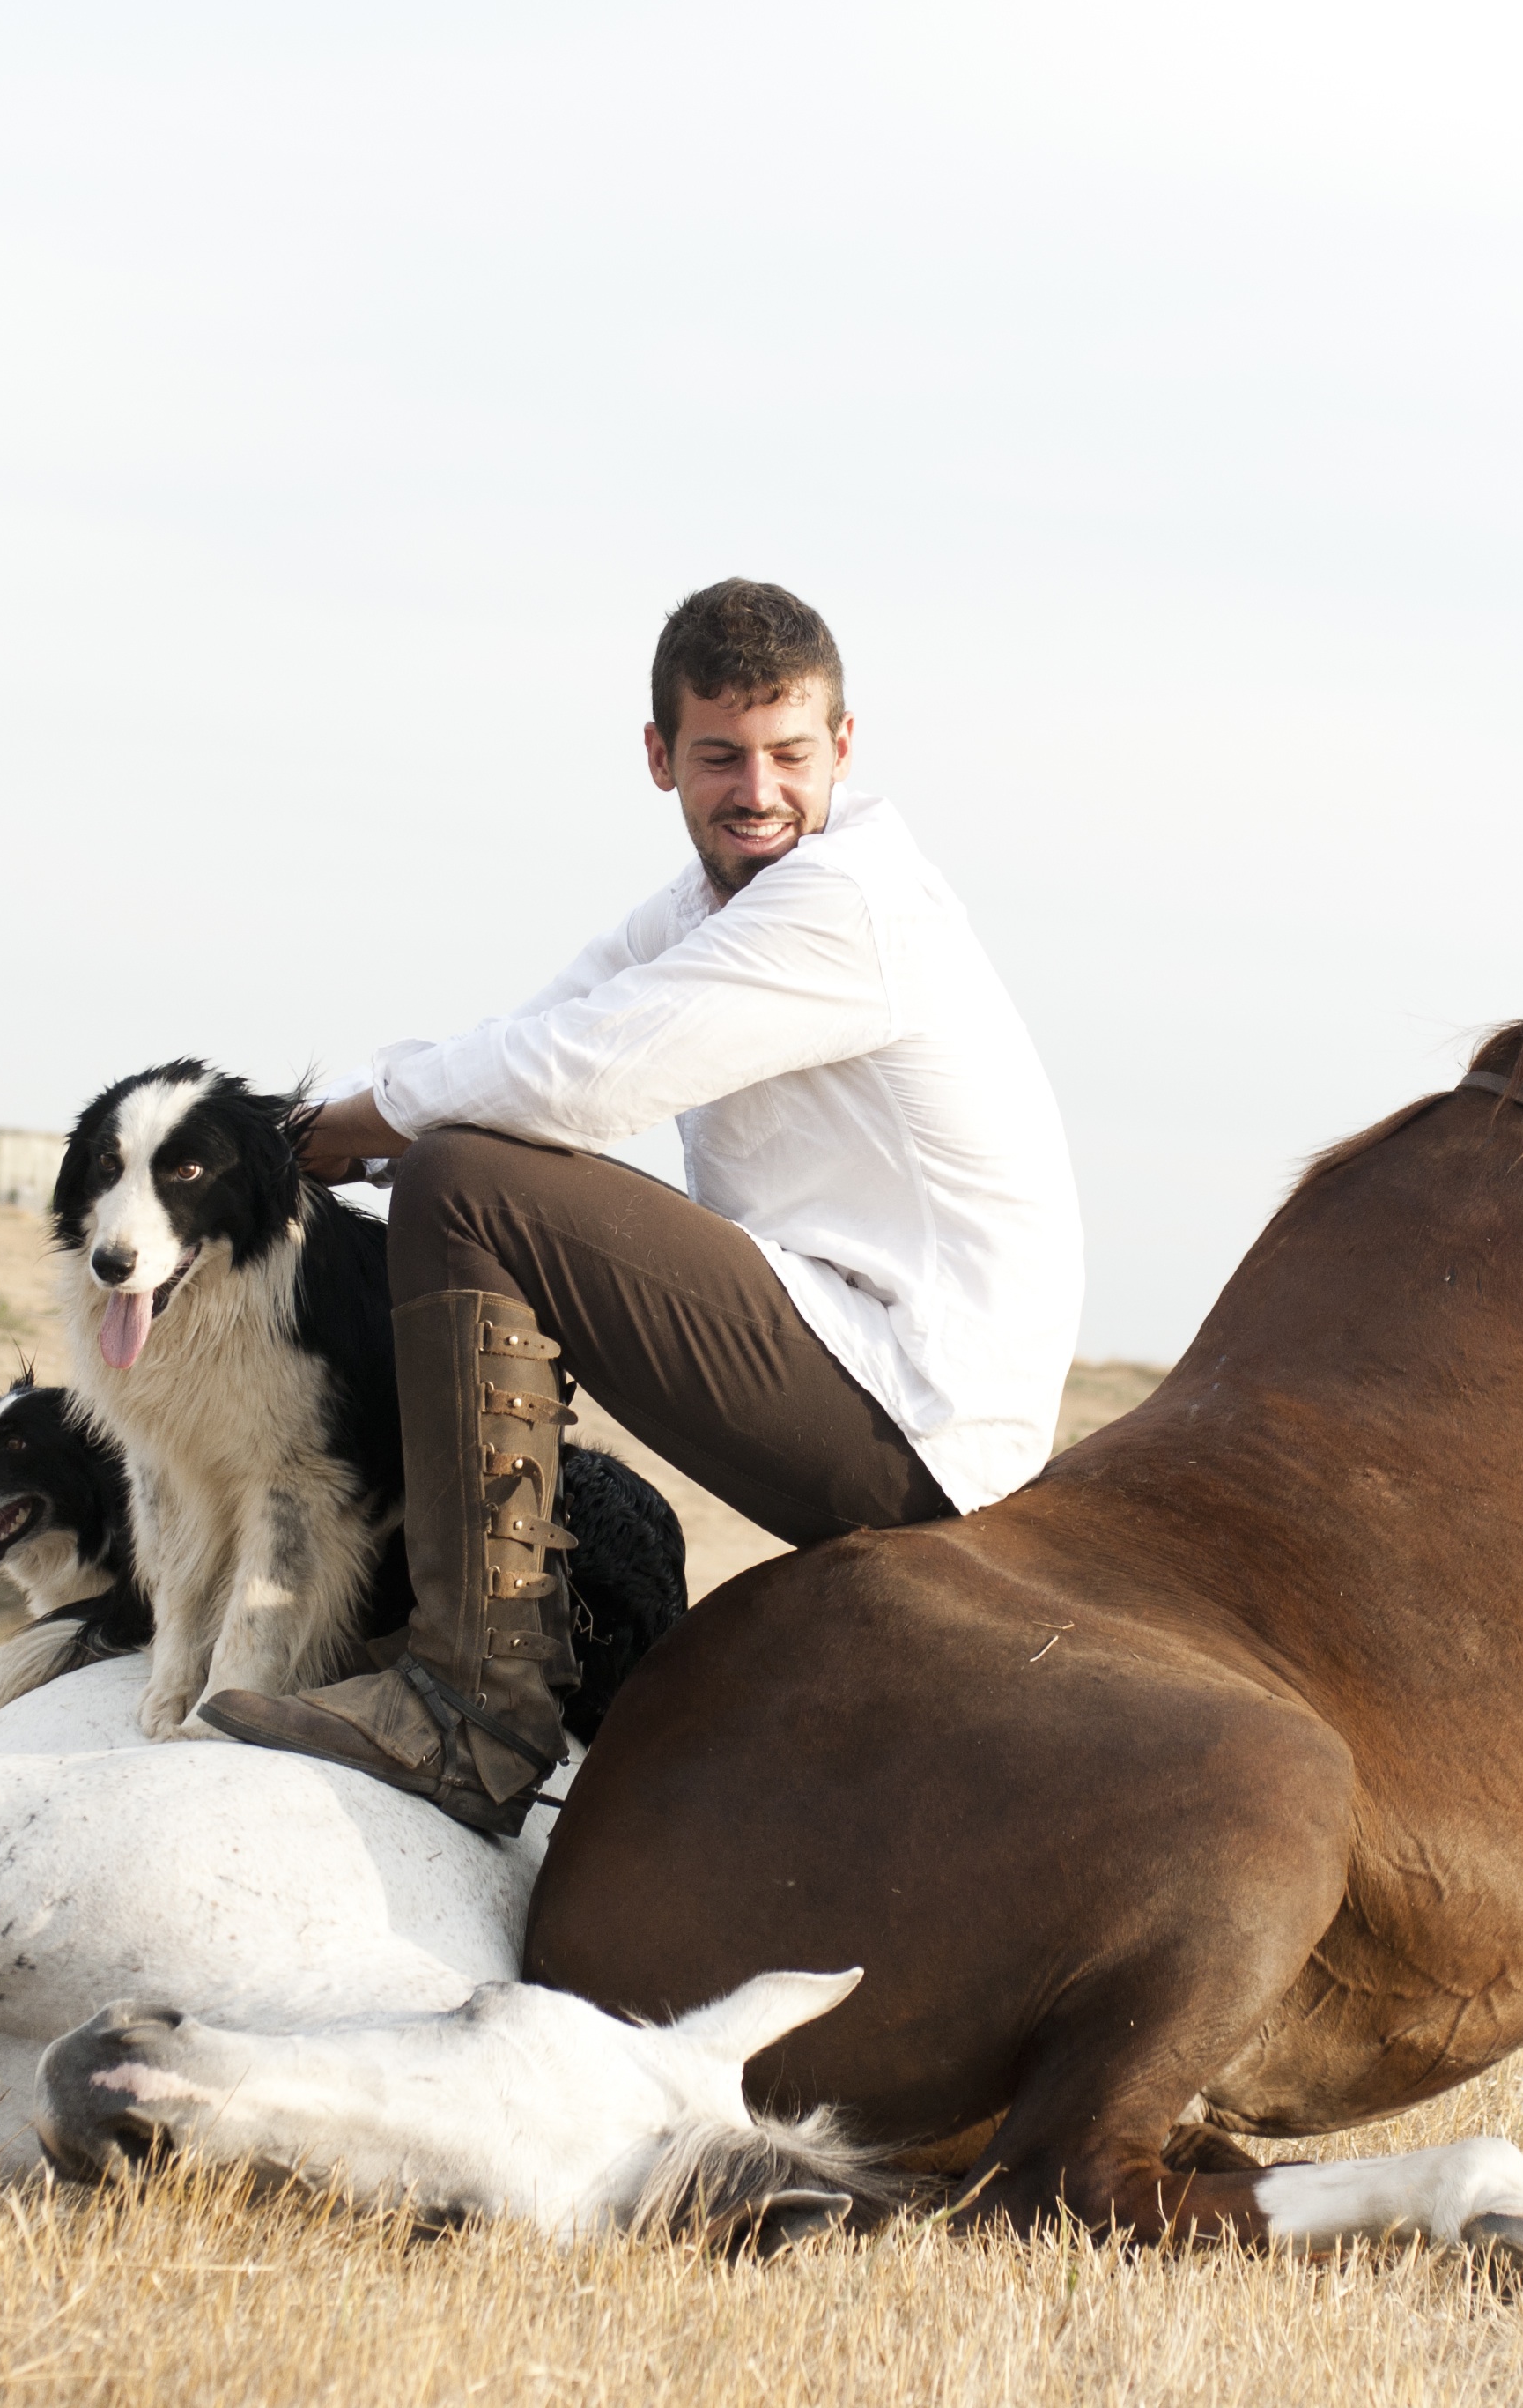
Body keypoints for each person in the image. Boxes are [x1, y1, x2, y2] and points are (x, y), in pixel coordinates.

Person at [200, 579, 1084, 1834]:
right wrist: (309, 1125)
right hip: (848, 1365)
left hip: (920, 1421)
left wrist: (356, 1130)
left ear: (843, 746)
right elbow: (529, 1037)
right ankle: (439, 1638)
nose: (759, 790)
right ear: (661, 756)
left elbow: (583, 1079)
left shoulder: (851, 905)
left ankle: (475, 1709)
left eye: (789, 754)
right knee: (458, 1160)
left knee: (463, 1184)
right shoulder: (694, 915)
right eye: (721, 755)